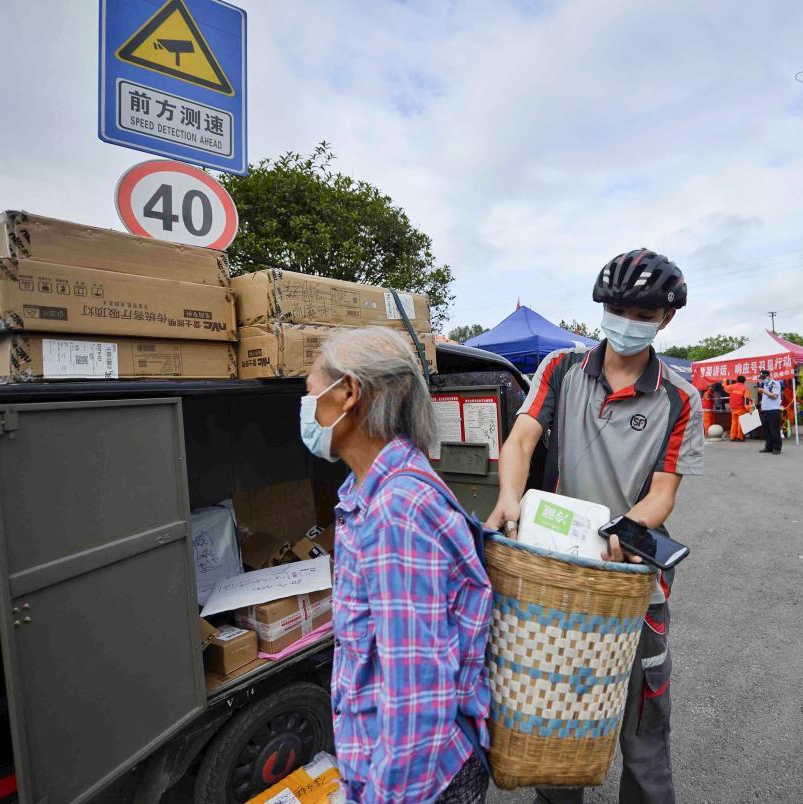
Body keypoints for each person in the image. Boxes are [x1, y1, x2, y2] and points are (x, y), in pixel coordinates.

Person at [487, 248, 703, 804]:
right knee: (559, 711)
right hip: (556, 572)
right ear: (602, 308)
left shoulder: (681, 397)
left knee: (643, 727)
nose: (628, 322)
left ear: (666, 319)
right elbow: (521, 438)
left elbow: (663, 493)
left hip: (631, 579)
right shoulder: (560, 369)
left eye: (644, 313)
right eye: (618, 308)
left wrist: (623, 529)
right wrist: (510, 495)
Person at [300, 326, 493, 803]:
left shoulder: (397, 510)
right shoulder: (375, 491)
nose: (306, 409)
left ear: (348, 393)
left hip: (421, 784)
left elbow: (417, 698)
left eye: (309, 393)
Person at [757, 368, 783, 454]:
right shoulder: (764, 385)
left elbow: (774, 396)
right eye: (762, 378)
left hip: (774, 410)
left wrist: (763, 391)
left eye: (764, 377)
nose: (763, 379)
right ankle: (769, 447)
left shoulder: (775, 384)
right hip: (765, 411)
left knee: (774, 430)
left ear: (769, 376)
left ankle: (777, 448)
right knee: (766, 430)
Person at [726, 375, 752, 442]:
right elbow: (746, 400)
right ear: (744, 381)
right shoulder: (745, 388)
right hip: (741, 408)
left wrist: (724, 381)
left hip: (733, 408)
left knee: (734, 422)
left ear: (737, 380)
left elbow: (725, 388)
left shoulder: (731, 386)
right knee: (740, 422)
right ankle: (740, 437)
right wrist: (749, 409)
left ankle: (732, 436)